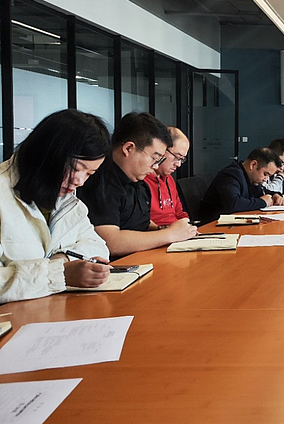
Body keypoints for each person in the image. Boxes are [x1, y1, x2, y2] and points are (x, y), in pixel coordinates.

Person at [1, 109, 112, 303]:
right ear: (46, 153)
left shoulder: (66, 200)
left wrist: (62, 259)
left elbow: (98, 247)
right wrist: (59, 274)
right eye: (75, 168)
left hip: (52, 309)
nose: (80, 181)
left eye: (89, 174)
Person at [78, 112, 197, 258]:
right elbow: (110, 242)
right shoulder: (101, 182)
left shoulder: (138, 182)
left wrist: (167, 229)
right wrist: (170, 234)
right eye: (154, 158)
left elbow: (142, 224)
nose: (155, 166)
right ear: (129, 148)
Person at [199, 147, 284, 221]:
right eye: (265, 174)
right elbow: (233, 204)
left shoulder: (251, 179)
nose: (265, 179)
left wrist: (275, 195)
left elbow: (261, 192)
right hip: (212, 225)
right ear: (253, 165)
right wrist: (262, 202)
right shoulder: (231, 175)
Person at [144, 127, 190, 227]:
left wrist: (188, 227)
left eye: (181, 159)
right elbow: (141, 222)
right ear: (162, 149)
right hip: (157, 233)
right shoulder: (140, 180)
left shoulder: (169, 179)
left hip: (177, 231)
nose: (178, 164)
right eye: (176, 157)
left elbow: (180, 213)